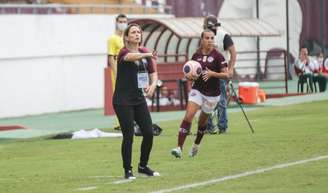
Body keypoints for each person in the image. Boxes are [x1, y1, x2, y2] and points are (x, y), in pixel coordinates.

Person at [171, 29, 229, 158]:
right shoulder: (196, 55)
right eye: (207, 38)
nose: (210, 41)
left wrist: (212, 74)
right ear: (202, 40)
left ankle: (196, 145)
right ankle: (179, 148)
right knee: (189, 115)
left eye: (212, 38)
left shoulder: (218, 56)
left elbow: (227, 74)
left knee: (202, 123)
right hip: (197, 90)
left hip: (213, 95)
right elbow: (191, 73)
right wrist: (190, 77)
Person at [113, 23, 160, 179]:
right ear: (127, 37)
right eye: (133, 32)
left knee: (148, 133)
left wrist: (153, 85)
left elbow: (154, 72)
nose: (137, 34)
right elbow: (130, 57)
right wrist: (147, 55)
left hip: (138, 99)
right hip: (123, 100)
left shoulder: (145, 52)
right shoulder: (123, 52)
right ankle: (128, 170)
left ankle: (143, 166)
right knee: (129, 136)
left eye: (138, 32)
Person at [203, 15, 236, 134]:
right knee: (207, 101)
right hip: (207, 73)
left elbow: (233, 52)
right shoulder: (203, 35)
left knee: (221, 101)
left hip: (221, 73)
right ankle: (209, 127)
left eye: (212, 28)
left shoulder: (224, 35)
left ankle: (223, 127)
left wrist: (231, 69)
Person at [108, 14, 128, 130]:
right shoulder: (112, 39)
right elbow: (111, 57)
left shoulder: (126, 38)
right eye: (120, 21)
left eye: (124, 21)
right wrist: (116, 73)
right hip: (118, 72)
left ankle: (128, 120)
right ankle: (120, 123)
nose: (122, 23)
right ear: (116, 22)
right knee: (119, 97)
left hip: (128, 72)